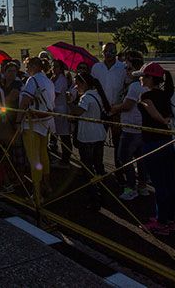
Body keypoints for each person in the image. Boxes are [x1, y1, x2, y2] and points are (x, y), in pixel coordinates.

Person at [136, 62, 175, 235]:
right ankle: (168, 219)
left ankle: (162, 223)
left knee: (159, 184)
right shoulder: (165, 95)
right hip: (167, 142)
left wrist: (162, 122)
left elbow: (153, 112)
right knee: (169, 182)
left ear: (151, 78)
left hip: (153, 142)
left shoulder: (146, 95)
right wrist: (165, 122)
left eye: (143, 75)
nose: (140, 78)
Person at [16, 57, 55, 203]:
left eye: (27, 66)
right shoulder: (48, 80)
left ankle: (37, 194)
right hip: (45, 123)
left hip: (32, 123)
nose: (26, 69)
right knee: (43, 155)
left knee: (34, 158)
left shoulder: (32, 80)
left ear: (33, 66)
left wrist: (17, 120)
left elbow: (24, 101)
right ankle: (47, 185)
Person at [110, 55, 149, 201]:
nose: (126, 70)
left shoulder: (134, 86)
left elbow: (127, 106)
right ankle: (143, 186)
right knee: (141, 159)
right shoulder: (143, 84)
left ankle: (130, 188)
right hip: (141, 127)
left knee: (124, 158)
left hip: (131, 128)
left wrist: (114, 109)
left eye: (129, 68)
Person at [71, 72, 110, 210]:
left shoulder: (86, 97)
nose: (76, 86)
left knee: (88, 168)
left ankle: (94, 198)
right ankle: (103, 192)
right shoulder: (97, 94)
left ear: (84, 84)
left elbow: (77, 112)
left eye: (77, 83)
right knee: (98, 165)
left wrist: (69, 102)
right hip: (99, 134)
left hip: (87, 136)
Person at [91, 42, 127, 185]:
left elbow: (126, 87)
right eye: (106, 51)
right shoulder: (96, 67)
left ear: (116, 51)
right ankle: (99, 169)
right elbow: (93, 87)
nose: (108, 53)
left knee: (118, 142)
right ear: (102, 52)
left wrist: (119, 106)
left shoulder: (122, 67)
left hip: (117, 111)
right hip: (101, 110)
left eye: (111, 51)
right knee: (99, 140)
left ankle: (120, 171)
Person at [51, 60, 72, 169]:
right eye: (53, 66)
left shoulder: (61, 79)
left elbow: (55, 94)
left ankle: (66, 159)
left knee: (64, 135)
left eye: (56, 67)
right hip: (56, 109)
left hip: (61, 109)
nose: (53, 68)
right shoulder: (55, 78)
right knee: (58, 134)